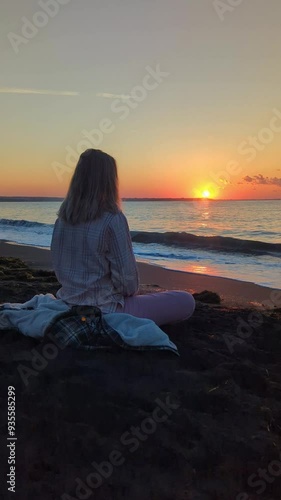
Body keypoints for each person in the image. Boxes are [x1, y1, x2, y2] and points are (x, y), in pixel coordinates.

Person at [50, 149, 195, 326]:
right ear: (109, 181)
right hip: (106, 310)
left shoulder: (62, 220)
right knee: (186, 300)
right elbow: (128, 285)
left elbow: (59, 268)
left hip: (67, 303)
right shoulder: (112, 219)